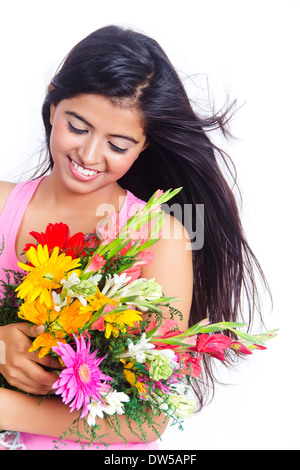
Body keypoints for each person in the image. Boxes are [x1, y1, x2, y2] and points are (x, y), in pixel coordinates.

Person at [0, 25, 267, 450]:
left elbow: (146, 423)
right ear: (52, 104)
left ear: (143, 146)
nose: (89, 156)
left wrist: (6, 409)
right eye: (78, 126)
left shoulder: (160, 237)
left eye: (118, 145)